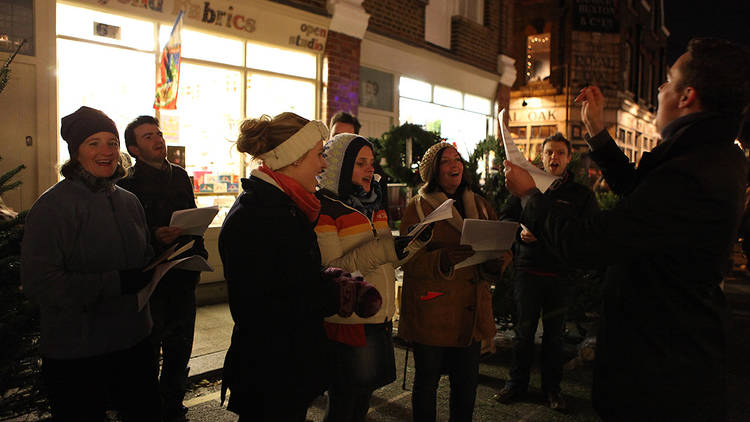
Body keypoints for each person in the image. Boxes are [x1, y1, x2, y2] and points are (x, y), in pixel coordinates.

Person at [503, 38, 750, 421]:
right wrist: (597, 133)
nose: (660, 89)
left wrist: (531, 197)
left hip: (660, 369)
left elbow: (591, 242)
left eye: (667, 81)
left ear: (687, 97)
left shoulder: (694, 172)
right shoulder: (708, 155)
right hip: (671, 357)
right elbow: (642, 196)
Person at [219, 112, 382, 421]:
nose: (323, 164)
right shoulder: (257, 215)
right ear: (294, 159)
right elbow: (265, 306)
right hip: (270, 372)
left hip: (285, 368)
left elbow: (289, 279)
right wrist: (334, 293)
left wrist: (328, 280)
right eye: (319, 154)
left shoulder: (286, 206)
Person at [21, 106, 161, 421]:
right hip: (78, 352)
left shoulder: (129, 201)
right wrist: (115, 282)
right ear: (76, 152)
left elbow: (142, 256)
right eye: (93, 143)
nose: (106, 151)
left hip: (134, 341)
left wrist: (160, 257)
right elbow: (39, 282)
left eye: (111, 142)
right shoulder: (52, 207)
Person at [315, 133, 430, 422]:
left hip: (377, 315)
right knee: (344, 403)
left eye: (371, 162)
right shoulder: (326, 211)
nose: (371, 169)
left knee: (361, 402)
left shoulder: (373, 205)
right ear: (339, 167)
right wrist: (385, 249)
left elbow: (383, 260)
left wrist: (412, 245)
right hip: (349, 320)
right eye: (360, 163)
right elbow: (332, 270)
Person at [399, 142, 508, 422]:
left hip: (470, 312)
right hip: (433, 311)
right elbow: (406, 259)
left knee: (466, 385)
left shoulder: (481, 205)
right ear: (434, 171)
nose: (454, 165)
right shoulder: (418, 208)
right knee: (427, 383)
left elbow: (498, 250)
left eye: (457, 159)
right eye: (446, 161)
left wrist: (498, 260)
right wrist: (443, 259)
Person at [494, 133, 598, 410]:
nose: (554, 157)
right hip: (528, 272)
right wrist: (519, 231)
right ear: (541, 156)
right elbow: (506, 218)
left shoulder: (580, 195)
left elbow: (585, 234)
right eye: (549, 152)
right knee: (523, 333)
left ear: (568, 158)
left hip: (560, 275)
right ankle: (516, 385)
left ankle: (553, 390)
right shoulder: (527, 187)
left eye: (560, 153)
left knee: (554, 336)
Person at [118, 115, 208, 421]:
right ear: (133, 148)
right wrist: (155, 235)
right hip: (152, 280)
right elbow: (127, 237)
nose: (158, 139)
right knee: (148, 349)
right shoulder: (126, 186)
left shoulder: (181, 176)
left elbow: (192, 215)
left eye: (158, 133)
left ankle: (173, 406)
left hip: (184, 272)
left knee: (179, 348)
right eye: (147, 137)